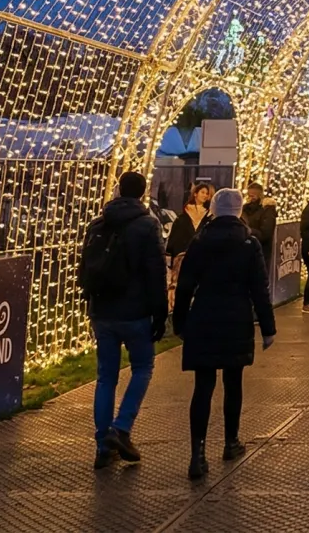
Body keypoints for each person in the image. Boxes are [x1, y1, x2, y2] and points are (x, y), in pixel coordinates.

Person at [173, 187, 277, 479]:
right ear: (240, 210)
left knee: (203, 386)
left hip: (204, 317)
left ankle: (198, 453)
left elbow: (184, 287)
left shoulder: (200, 241)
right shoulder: (248, 243)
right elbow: (259, 289)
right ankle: (231, 441)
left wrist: (179, 323)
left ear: (215, 210)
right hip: (236, 318)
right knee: (234, 382)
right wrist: (268, 329)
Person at [81, 170, 169, 469]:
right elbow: (156, 272)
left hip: (102, 310)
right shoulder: (147, 225)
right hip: (135, 311)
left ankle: (102, 445)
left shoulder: (98, 223)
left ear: (118, 190)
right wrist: (161, 312)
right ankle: (121, 427)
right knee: (143, 367)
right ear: (143, 193)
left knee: (106, 376)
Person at [166, 182, 214, 286]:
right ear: (195, 194)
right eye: (203, 192)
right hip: (183, 256)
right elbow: (175, 238)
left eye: (207, 194)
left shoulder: (209, 217)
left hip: (202, 257)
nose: (205, 195)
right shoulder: (183, 217)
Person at [240, 182, 277, 255]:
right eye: (249, 195)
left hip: (261, 250)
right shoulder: (244, 208)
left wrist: (248, 230)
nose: (250, 197)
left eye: (253, 195)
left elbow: (266, 233)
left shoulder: (267, 209)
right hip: (246, 249)